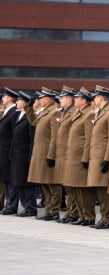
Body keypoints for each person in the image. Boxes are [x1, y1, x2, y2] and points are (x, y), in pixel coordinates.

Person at [25, 87, 62, 221]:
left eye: (41, 98)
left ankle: (54, 211)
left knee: (53, 184)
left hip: (48, 153)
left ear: (48, 99)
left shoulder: (54, 112)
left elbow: (55, 136)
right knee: (44, 183)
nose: (39, 100)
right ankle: (48, 209)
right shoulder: (45, 112)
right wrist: (29, 108)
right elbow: (33, 122)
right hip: (40, 153)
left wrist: (51, 155)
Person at [63, 87, 96, 226]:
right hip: (72, 157)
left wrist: (85, 157)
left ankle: (88, 216)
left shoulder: (89, 114)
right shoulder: (78, 113)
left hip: (80, 157)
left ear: (84, 100)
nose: (74, 100)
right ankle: (82, 215)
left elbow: (89, 138)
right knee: (75, 188)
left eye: (77, 98)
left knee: (83, 189)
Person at [87, 85, 109, 229]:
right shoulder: (100, 112)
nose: (94, 99)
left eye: (95, 97)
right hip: (97, 156)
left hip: (103, 156)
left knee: (105, 189)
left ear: (100, 97)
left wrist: (107, 158)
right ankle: (104, 217)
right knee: (100, 188)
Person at [52, 86, 80, 223]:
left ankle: (73, 212)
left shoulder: (73, 112)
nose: (60, 100)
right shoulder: (64, 112)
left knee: (71, 186)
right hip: (63, 154)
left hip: (69, 154)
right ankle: (71, 212)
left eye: (62, 98)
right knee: (67, 186)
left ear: (69, 99)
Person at [11, 91, 37, 217]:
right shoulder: (19, 115)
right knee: (19, 182)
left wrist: (30, 156)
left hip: (25, 155)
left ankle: (31, 208)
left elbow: (32, 138)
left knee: (27, 183)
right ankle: (25, 207)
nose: (16, 102)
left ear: (24, 102)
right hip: (17, 155)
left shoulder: (29, 116)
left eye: (19, 100)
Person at [0, 87, 19, 215]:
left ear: (10, 98)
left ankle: (12, 205)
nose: (2, 98)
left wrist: (12, 151)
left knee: (10, 179)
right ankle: (8, 204)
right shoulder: (6, 111)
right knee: (5, 178)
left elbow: (14, 134)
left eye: (5, 96)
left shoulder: (13, 112)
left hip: (8, 151)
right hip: (3, 150)